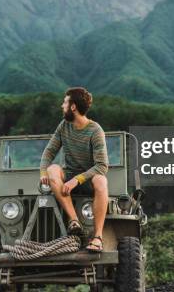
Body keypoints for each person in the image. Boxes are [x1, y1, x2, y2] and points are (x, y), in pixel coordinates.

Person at [39, 87, 109, 252]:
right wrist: (43, 172)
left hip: (87, 180)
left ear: (73, 107)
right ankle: (74, 221)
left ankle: (98, 237)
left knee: (101, 179)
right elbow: (49, 152)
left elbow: (102, 166)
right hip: (68, 176)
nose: (61, 106)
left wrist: (76, 180)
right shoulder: (64, 126)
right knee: (53, 169)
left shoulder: (96, 130)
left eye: (64, 102)